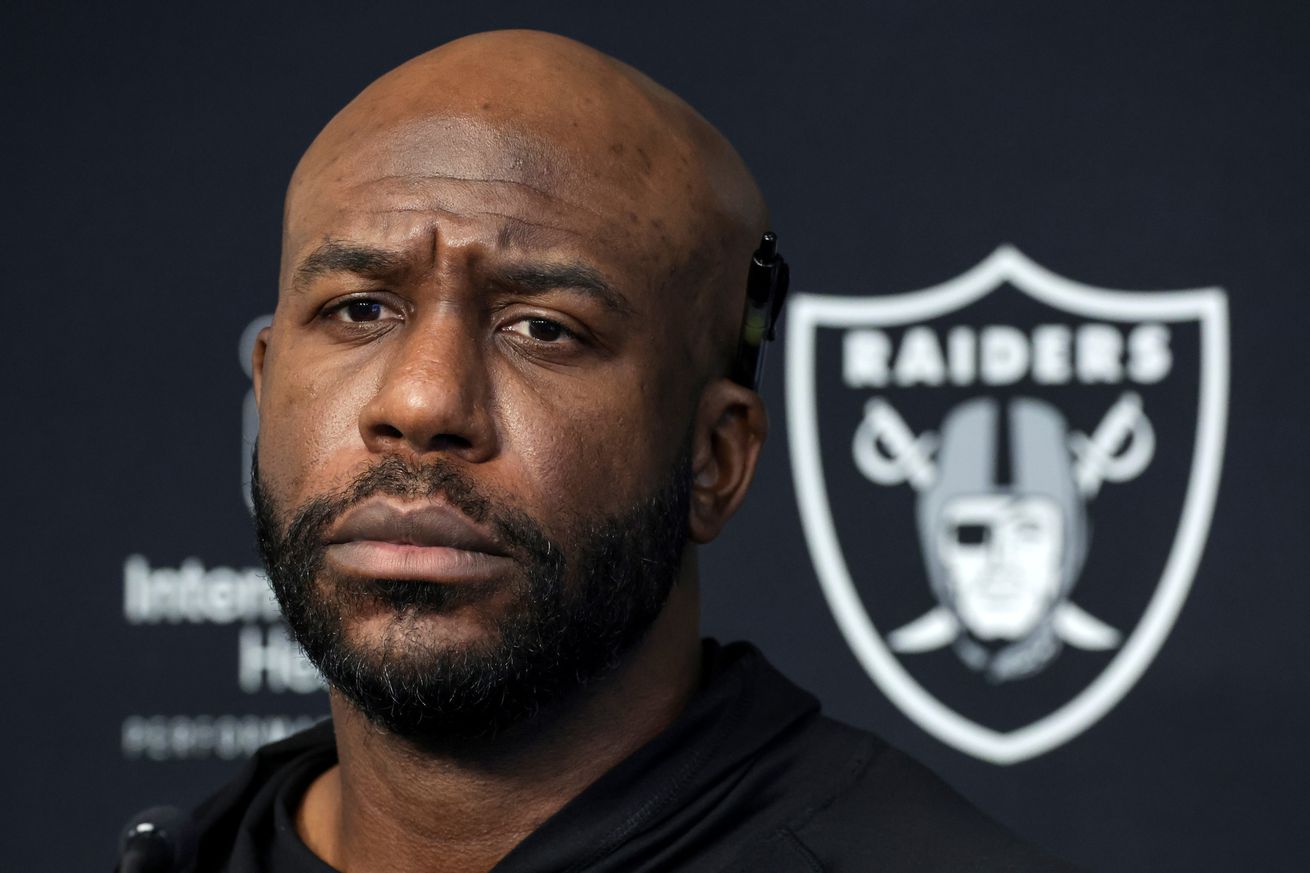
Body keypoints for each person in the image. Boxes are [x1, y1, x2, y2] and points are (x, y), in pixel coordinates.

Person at [179, 29, 1076, 873]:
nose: (419, 402)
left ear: (715, 458)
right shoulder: (196, 850)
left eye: (542, 327)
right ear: (266, 385)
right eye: (359, 310)